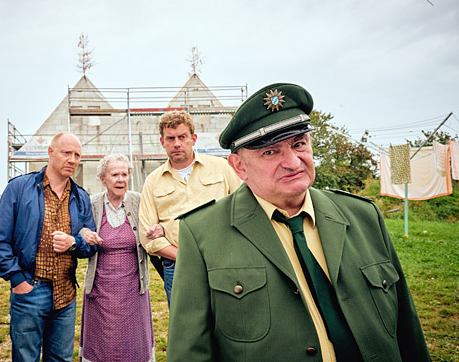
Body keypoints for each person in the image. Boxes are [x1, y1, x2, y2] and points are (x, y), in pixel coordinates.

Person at [167, 83, 431, 361]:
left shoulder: (363, 216)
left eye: (299, 144)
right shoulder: (202, 233)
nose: (293, 162)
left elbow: (407, 329)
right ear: (239, 167)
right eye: (270, 152)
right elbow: (189, 351)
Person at [0, 132, 98, 362]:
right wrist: (17, 281)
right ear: (50, 152)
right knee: (26, 358)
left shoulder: (81, 197)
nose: (72, 159)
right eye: (67, 153)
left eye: (77, 155)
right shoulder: (19, 188)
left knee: (60, 359)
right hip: (30, 290)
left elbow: (90, 243)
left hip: (66, 295)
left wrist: (74, 243)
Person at [139, 110, 242, 306]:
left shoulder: (221, 168)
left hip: (222, 261)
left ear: (193, 138)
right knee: (186, 329)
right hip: (177, 267)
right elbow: (148, 237)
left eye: (182, 137)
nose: (176, 143)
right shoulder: (153, 182)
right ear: (162, 142)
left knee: (229, 321)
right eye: (170, 138)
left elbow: (243, 209)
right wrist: (185, 256)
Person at [78, 154, 155, 362]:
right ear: (103, 179)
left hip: (133, 289)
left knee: (134, 344)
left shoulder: (138, 201)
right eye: (114, 175)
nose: (121, 179)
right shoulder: (92, 204)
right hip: (100, 290)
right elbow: (78, 229)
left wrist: (157, 230)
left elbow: (154, 224)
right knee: (102, 345)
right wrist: (84, 233)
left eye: (124, 174)